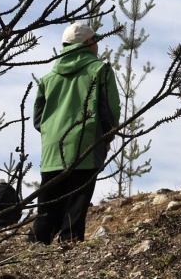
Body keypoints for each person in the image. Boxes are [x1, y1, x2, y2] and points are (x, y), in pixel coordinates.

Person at [31, 22, 120, 243]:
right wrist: (107, 137)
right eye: (95, 40)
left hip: (52, 150)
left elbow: (37, 119)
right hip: (86, 143)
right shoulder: (101, 70)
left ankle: (36, 246)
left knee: (48, 203)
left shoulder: (48, 78)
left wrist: (53, 132)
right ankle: (68, 244)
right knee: (77, 201)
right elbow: (109, 110)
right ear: (88, 42)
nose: (97, 44)